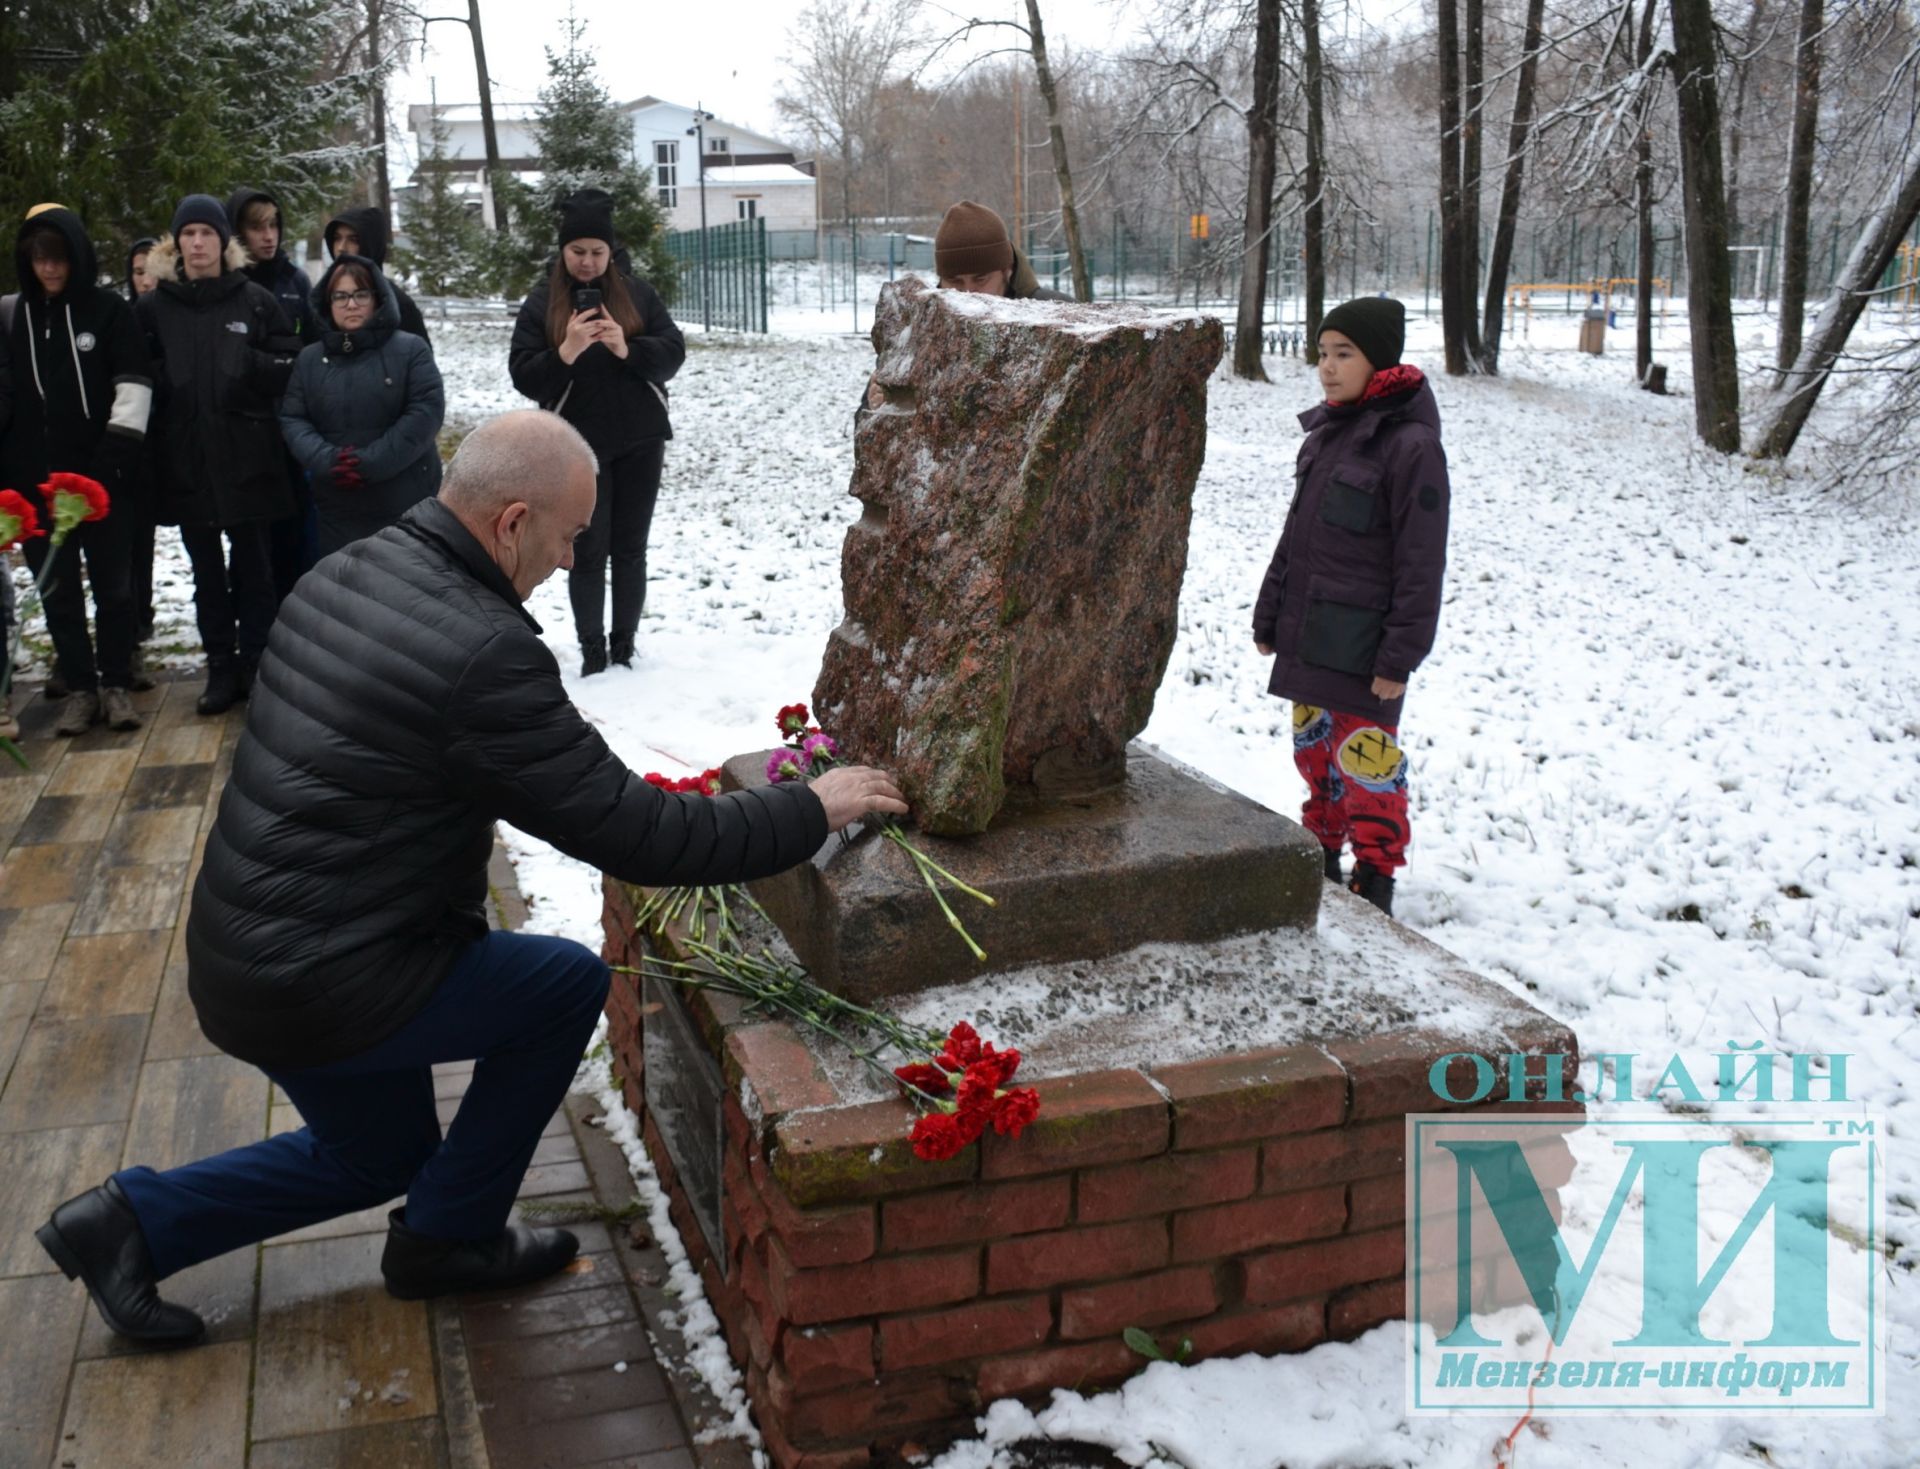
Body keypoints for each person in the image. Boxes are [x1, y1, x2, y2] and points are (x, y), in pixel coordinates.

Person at [31, 410, 909, 1343]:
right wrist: (812, 808)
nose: (574, 561)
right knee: (560, 984)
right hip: (321, 975)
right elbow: (641, 834)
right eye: (570, 536)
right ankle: (450, 1240)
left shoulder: (352, 567)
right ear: (512, 521)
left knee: (383, 1154)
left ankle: (127, 1222)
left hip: (247, 945)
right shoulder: (482, 652)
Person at [1252, 298, 1449, 917]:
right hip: (1312, 638)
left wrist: (1400, 656)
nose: (1328, 368)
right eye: (1322, 354)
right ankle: (1322, 851)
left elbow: (1421, 564)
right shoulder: (1331, 433)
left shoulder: (1412, 448)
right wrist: (1269, 612)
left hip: (1365, 653)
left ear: (1379, 360)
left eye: (1344, 354)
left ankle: (1375, 873)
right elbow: (1298, 536)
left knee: (1367, 764)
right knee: (1316, 757)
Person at [509, 189, 684, 677]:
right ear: (563, 252)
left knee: (630, 549)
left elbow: (672, 354)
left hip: (641, 441)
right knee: (585, 552)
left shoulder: (638, 294)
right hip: (575, 448)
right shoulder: (544, 302)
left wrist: (627, 348)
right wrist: (564, 352)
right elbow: (523, 373)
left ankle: (624, 647)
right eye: (577, 251)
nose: (587, 263)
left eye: (597, 252)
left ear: (610, 253)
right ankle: (592, 651)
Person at [138, 195, 300, 716]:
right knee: (205, 571)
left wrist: (248, 366)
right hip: (186, 460)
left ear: (223, 242)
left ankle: (256, 663)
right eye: (189, 235)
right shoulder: (154, 307)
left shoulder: (253, 300)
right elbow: (137, 372)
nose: (199, 243)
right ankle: (220, 666)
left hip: (247, 458)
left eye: (208, 234)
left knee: (254, 568)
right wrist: (167, 383)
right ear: (177, 243)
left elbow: (289, 360)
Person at [1, 208, 154, 735]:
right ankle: (81, 688)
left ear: (76, 257)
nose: (49, 270)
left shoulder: (108, 311)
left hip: (102, 483)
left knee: (114, 590)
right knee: (57, 593)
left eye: (58, 258)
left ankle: (116, 684)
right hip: (37, 487)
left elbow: (134, 387)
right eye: (39, 259)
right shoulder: (13, 317)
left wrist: (109, 465)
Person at [280, 254, 444, 556]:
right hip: (337, 509)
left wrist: (372, 462)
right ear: (327, 303)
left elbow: (425, 411)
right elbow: (294, 418)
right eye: (340, 296)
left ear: (377, 298)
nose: (351, 304)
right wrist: (327, 460)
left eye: (360, 294)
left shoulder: (410, 350)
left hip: (406, 505)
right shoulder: (310, 360)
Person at [863, 199, 1069, 409]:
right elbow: (877, 429)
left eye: (981, 279)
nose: (968, 293)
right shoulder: (916, 333)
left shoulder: (1062, 318)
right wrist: (878, 405)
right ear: (941, 281)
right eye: (955, 281)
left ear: (1007, 270)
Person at [227, 187, 321, 597]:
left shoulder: (294, 281)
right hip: (239, 430)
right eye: (256, 227)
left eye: (274, 226)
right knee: (248, 538)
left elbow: (314, 347)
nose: (268, 236)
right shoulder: (228, 283)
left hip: (290, 426)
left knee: (294, 525)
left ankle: (292, 606)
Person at [123, 235, 162, 661]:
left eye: (153, 270)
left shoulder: (171, 316)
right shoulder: (122, 320)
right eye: (137, 271)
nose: (146, 280)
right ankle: (133, 621)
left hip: (171, 444)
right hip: (136, 450)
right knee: (133, 542)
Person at [323, 204, 431, 347]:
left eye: (353, 239)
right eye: (337, 238)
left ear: (371, 244)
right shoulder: (321, 300)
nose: (341, 247)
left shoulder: (398, 305)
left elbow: (420, 361)